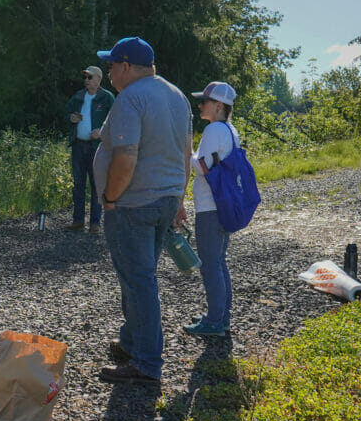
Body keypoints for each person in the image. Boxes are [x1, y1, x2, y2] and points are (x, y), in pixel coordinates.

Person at [93, 37, 192, 386]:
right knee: (137, 276)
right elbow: (184, 155)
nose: (108, 73)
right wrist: (178, 197)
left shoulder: (130, 98)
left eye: (110, 66)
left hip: (132, 203)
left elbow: (126, 156)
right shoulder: (176, 95)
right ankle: (133, 342)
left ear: (124, 66)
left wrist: (110, 196)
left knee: (138, 282)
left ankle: (147, 362)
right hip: (164, 199)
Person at [183, 82, 240, 338]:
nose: (200, 105)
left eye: (204, 102)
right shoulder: (230, 129)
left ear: (218, 106)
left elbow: (202, 168)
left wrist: (188, 152)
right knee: (219, 262)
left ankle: (215, 320)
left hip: (210, 207)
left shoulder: (214, 128)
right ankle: (220, 316)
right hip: (223, 205)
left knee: (210, 265)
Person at [63, 66, 115, 232]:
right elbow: (65, 112)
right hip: (78, 145)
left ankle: (94, 223)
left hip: (96, 147)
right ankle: (78, 221)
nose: (86, 80)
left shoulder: (107, 98)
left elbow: (116, 120)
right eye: (85, 77)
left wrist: (101, 132)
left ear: (99, 79)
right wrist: (71, 118)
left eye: (90, 77)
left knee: (96, 185)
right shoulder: (78, 96)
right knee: (78, 184)